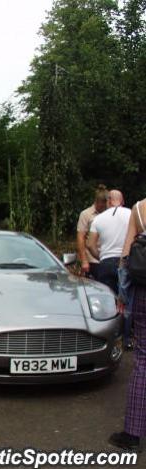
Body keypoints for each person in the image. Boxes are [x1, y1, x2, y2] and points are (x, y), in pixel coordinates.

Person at [109, 199, 146, 451]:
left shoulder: (140, 208)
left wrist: (123, 296)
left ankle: (132, 434)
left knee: (143, 358)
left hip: (144, 292)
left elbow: (125, 257)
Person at [87, 190, 131, 293]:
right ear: (122, 201)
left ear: (108, 201)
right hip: (126, 261)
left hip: (106, 263)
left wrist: (102, 256)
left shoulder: (98, 219)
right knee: (126, 298)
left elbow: (90, 244)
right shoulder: (131, 214)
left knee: (108, 299)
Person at [77, 185, 108, 278]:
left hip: (107, 258)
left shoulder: (109, 213)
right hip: (92, 260)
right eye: (102, 203)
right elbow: (80, 237)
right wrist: (84, 261)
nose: (104, 206)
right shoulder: (86, 214)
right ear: (97, 202)